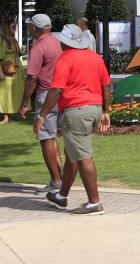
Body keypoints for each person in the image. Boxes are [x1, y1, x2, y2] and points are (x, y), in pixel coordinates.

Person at [35, 23, 112, 215]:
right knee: (72, 154)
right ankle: (61, 196)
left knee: (83, 156)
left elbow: (57, 89)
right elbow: (106, 85)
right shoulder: (95, 58)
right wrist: (106, 111)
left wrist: (42, 115)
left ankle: (94, 203)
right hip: (94, 109)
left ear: (65, 42)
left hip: (76, 112)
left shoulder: (65, 59)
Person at [17, 14, 64, 193]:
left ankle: (56, 182)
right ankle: (58, 178)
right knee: (51, 138)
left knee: (45, 139)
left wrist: (24, 104)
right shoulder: (57, 42)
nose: (28, 29)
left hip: (46, 95)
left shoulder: (38, 47)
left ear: (36, 28)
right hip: (61, 94)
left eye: (30, 26)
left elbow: (32, 78)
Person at [0, 21, 25, 124]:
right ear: (6, 28)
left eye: (15, 27)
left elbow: (17, 54)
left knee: (17, 93)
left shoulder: (14, 40)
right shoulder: (0, 41)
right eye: (13, 27)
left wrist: (22, 52)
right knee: (4, 93)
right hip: (6, 72)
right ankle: (6, 117)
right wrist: (0, 71)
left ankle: (16, 113)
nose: (15, 29)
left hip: (16, 70)